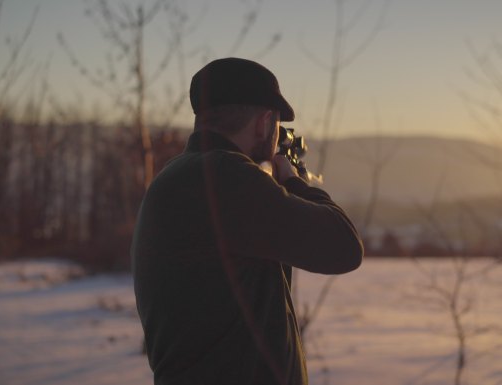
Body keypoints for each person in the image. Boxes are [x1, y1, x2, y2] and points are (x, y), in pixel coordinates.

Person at [131, 57, 363, 385]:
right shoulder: (226, 178)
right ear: (264, 122)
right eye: (278, 126)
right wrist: (295, 182)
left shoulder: (177, 177)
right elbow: (344, 248)